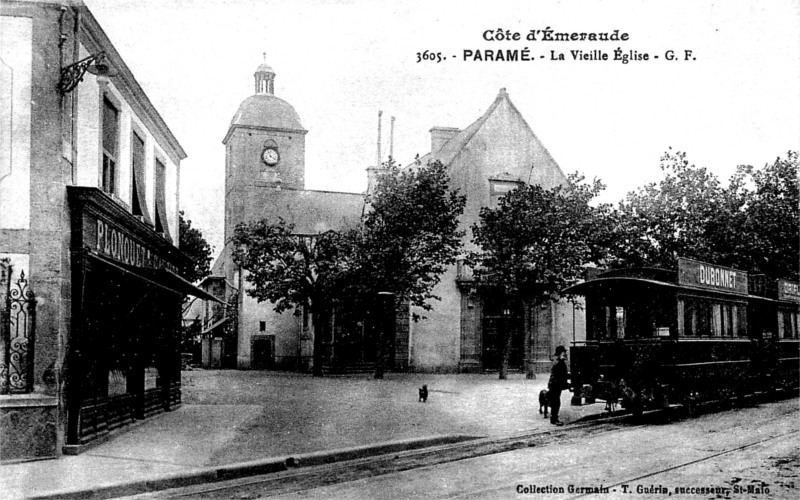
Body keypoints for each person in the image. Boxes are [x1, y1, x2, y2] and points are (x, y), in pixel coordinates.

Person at [548, 345, 570, 426]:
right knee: (556, 403)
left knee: (555, 402)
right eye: (563, 353)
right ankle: (554, 419)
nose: (565, 354)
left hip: (554, 384)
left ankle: (554, 418)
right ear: (560, 353)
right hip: (555, 385)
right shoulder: (559, 363)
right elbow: (559, 376)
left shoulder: (560, 362)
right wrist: (565, 384)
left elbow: (563, 375)